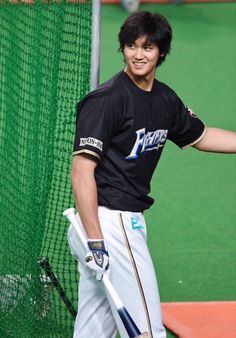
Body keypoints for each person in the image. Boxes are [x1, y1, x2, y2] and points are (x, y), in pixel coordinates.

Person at [68, 11, 236, 338]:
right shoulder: (106, 100)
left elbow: (201, 137)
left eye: (147, 47)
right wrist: (96, 240)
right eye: (131, 46)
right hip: (110, 226)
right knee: (147, 331)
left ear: (161, 51)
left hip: (118, 226)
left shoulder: (164, 99)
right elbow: (81, 173)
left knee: (92, 331)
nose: (138, 54)